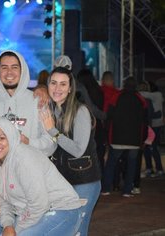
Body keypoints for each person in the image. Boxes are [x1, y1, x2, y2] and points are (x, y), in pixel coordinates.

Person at [0, 117, 82, 235]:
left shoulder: (24, 158)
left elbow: (39, 204)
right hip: (33, 215)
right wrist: (7, 225)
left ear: (11, 137)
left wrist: (16, 229)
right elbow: (2, 203)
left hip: (63, 210)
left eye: (2, 138)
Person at [0, 51, 54, 185]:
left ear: (22, 70)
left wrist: (29, 142)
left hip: (31, 181)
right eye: (4, 67)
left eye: (14, 67)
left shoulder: (38, 101)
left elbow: (51, 143)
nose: (9, 72)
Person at [39, 62, 102, 236]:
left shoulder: (80, 111)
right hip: (62, 182)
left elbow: (78, 150)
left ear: (70, 88)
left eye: (63, 84)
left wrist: (53, 131)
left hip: (84, 181)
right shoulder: (50, 111)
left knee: (76, 230)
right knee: (65, 228)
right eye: (53, 83)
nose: (57, 88)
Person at [102, 77, 148, 197]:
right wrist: (143, 138)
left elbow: (109, 116)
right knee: (132, 165)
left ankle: (106, 189)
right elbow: (145, 121)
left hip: (117, 137)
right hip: (134, 139)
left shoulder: (117, 96)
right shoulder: (141, 99)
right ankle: (127, 190)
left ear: (124, 84)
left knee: (111, 164)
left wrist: (107, 134)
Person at [138, 81, 164, 178]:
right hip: (154, 125)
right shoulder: (153, 97)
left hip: (154, 125)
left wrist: (137, 91)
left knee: (152, 148)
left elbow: (144, 94)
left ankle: (157, 169)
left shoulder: (156, 95)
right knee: (150, 148)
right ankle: (153, 168)